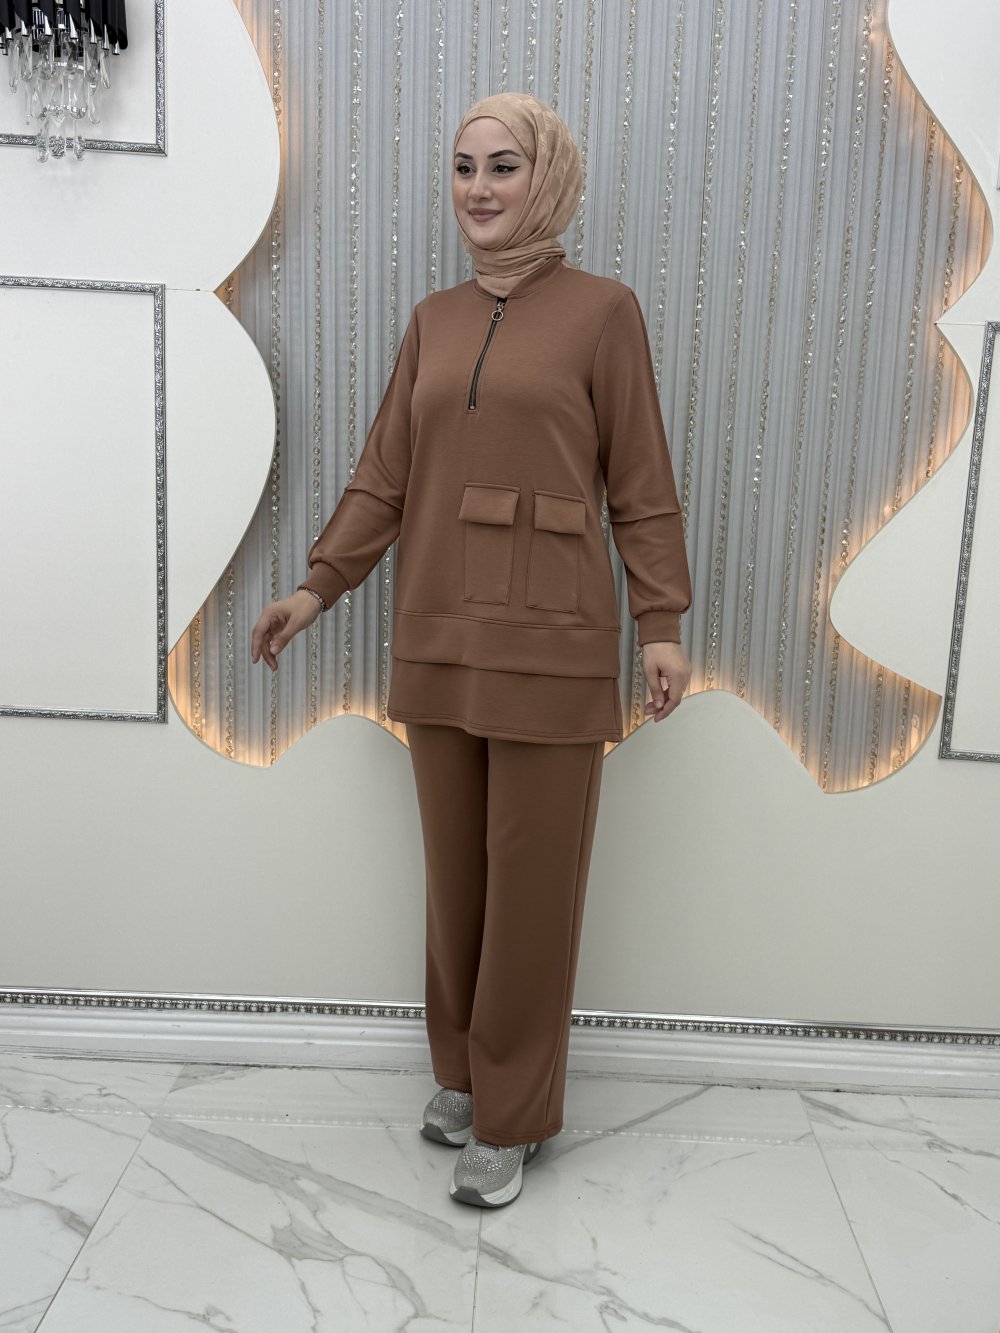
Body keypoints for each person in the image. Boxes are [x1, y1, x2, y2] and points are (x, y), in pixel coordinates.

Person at [251, 92, 692, 1209]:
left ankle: (515, 1113)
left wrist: (662, 622)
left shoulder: (604, 314)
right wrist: (314, 587)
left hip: (554, 643)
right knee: (457, 883)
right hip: (438, 633)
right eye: (462, 167)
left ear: (547, 179)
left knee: (533, 889)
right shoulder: (435, 321)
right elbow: (385, 477)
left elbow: (640, 483)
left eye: (502, 166)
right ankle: (460, 1072)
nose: (479, 189)